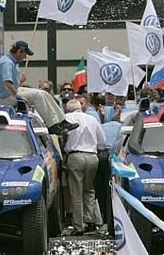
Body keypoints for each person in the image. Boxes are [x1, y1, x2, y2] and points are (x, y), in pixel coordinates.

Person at [0, 41, 78, 135]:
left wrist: (19, 81)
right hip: (4, 98)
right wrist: (18, 97)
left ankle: (62, 121)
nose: (25, 58)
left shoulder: (11, 61)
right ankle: (52, 125)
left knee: (43, 92)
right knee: (38, 95)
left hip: (9, 93)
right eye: (25, 54)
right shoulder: (7, 63)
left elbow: (8, 84)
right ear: (19, 51)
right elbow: (7, 83)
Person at [63, 99, 106, 235]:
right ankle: (90, 221)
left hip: (75, 157)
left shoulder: (66, 118)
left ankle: (78, 226)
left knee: (76, 192)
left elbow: (62, 137)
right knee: (89, 189)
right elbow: (102, 143)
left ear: (68, 109)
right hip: (93, 157)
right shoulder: (92, 119)